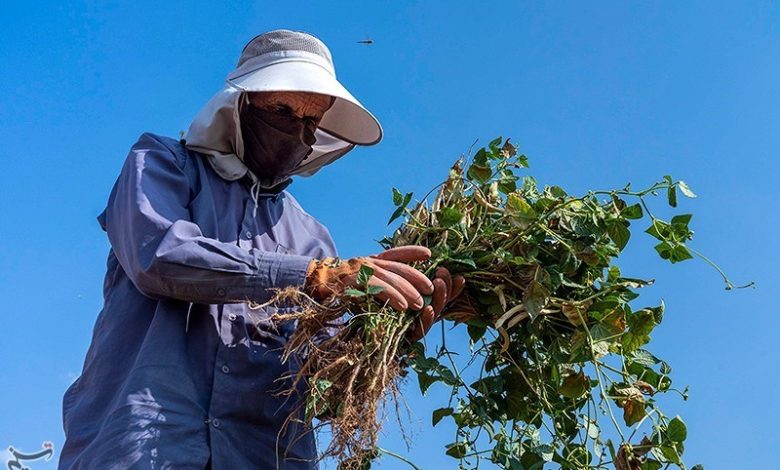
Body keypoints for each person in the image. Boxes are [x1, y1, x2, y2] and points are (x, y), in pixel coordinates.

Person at [59, 29, 464, 469]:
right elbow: (158, 257)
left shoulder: (311, 236)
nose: (298, 131)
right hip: (148, 443)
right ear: (240, 105)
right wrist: (309, 276)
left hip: (264, 454)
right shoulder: (163, 164)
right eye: (282, 111)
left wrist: (386, 336)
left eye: (311, 121)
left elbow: (321, 378)